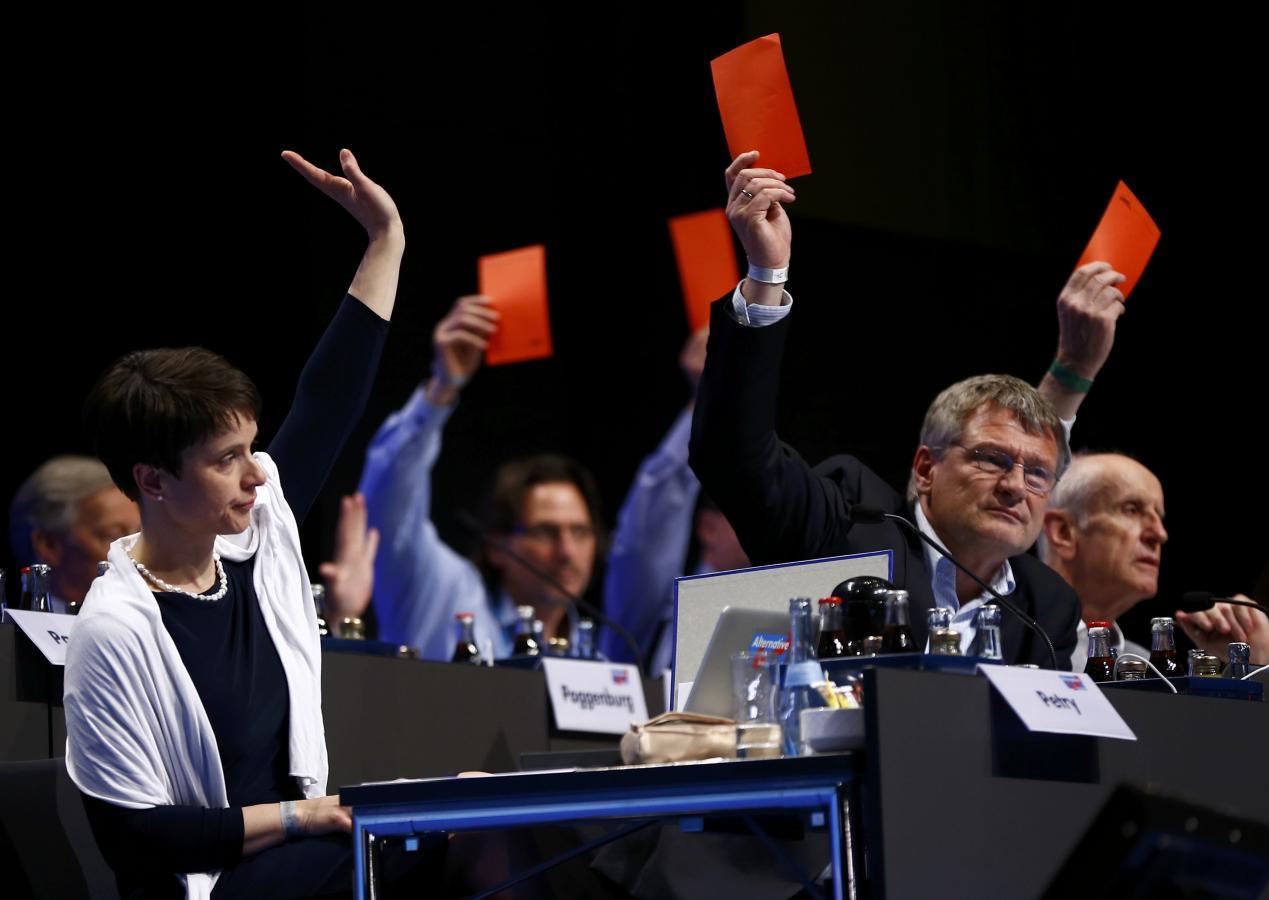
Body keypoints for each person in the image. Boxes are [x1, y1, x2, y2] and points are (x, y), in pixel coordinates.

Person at [63, 148, 420, 900]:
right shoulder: (115, 627)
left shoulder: (254, 533)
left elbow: (327, 403)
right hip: (214, 885)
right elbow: (135, 836)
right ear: (152, 481)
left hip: (300, 856)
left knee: (480, 824)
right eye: (228, 458)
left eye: (252, 447)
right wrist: (300, 817)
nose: (258, 473)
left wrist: (385, 240)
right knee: (373, 851)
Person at [688, 151, 1133, 668]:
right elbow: (731, 455)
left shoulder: (1047, 607)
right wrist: (767, 272)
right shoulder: (847, 528)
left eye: (1037, 474)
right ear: (926, 468)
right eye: (992, 459)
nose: (1016, 486)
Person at [360, 295, 605, 661]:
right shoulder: (446, 596)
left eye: (580, 532)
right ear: (496, 546)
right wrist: (442, 388)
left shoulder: (598, 658)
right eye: (545, 532)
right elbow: (389, 503)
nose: (568, 552)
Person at [600, 327, 750, 671]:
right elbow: (659, 504)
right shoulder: (658, 605)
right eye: (745, 508)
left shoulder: (791, 605)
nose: (765, 518)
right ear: (708, 528)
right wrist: (706, 395)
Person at [8, 455, 140, 611]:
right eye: (113, 536)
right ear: (49, 545)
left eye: (139, 535)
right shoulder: (11, 633)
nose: (137, 554)